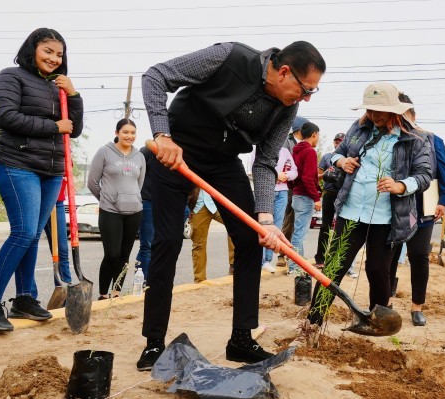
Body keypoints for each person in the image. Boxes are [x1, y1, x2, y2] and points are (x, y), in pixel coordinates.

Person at [137, 40, 326, 369]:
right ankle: (154, 343)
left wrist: (266, 219)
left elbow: (265, 161)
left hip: (224, 162)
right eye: (306, 88)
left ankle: (241, 339)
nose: (306, 97)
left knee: (252, 238)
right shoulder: (230, 57)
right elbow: (155, 77)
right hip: (176, 153)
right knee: (166, 241)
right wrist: (162, 135)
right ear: (284, 72)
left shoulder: (286, 107)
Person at [291, 82, 432, 346]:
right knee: (334, 267)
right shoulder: (359, 128)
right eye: (371, 109)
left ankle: (377, 324)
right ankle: (313, 322)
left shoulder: (415, 139)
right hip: (352, 211)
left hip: (386, 217)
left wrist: (401, 185)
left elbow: (424, 175)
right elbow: (335, 155)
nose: (375, 115)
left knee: (378, 269)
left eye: (380, 110)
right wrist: (341, 162)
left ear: (395, 110)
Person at [0, 28, 83, 332]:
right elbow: (6, 116)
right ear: (33, 49)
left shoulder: (59, 87)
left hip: (50, 171)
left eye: (59, 54)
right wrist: (54, 125)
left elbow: (72, 129)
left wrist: (74, 96)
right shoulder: (11, 76)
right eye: (48, 51)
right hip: (16, 164)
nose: (54, 58)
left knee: (33, 235)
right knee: (22, 232)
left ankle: (24, 299)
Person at [387, 92, 445, 327]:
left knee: (419, 256)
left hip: (423, 207)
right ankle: (385, 302)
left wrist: (444, 201)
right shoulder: (388, 138)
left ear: (412, 115)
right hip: (392, 206)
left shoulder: (433, 139)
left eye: (404, 116)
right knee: (389, 256)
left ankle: (417, 307)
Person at [88, 119, 146, 299]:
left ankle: (116, 291)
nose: (129, 136)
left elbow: (139, 184)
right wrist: (107, 199)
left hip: (134, 212)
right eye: (125, 132)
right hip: (110, 211)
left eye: (132, 133)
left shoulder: (140, 157)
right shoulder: (104, 152)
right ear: (117, 133)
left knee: (124, 255)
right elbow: (92, 183)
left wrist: (132, 199)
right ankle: (103, 294)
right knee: (112, 254)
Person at [287, 121, 322, 274]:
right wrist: (316, 197)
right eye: (318, 135)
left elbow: (294, 174)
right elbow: (307, 178)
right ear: (314, 134)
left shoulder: (296, 151)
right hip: (305, 197)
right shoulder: (310, 152)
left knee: (297, 231)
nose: (318, 138)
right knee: (299, 233)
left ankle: (297, 265)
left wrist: (294, 188)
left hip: (296, 195)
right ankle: (294, 267)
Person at [260, 144, 297, 273]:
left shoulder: (285, 151)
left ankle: (267, 261)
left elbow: (294, 171)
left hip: (282, 192)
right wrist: (276, 174)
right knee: (262, 226)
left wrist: (286, 175)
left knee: (276, 225)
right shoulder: (259, 147)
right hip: (265, 190)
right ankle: (260, 259)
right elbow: (257, 167)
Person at [277, 116, 308, 267]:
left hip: (300, 187)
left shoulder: (307, 145)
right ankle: (282, 254)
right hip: (287, 187)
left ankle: (294, 255)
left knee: (298, 224)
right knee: (288, 221)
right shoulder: (286, 142)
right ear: (300, 129)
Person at [313, 132, 345, 269]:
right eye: (336, 141)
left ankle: (336, 259)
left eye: (341, 142)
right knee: (325, 226)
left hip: (343, 195)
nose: (338, 143)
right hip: (329, 194)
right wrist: (325, 174)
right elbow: (316, 176)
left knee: (341, 228)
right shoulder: (326, 157)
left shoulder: (348, 159)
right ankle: (320, 258)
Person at [189, 187, 235, 280]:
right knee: (199, 244)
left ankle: (234, 265)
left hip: (218, 202)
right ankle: (200, 280)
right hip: (198, 206)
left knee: (235, 227)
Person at [43, 181, 72, 287]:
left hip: (57, 199)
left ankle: (65, 290)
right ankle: (27, 295)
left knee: (62, 250)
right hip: (37, 196)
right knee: (29, 245)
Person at [135, 146, 156, 279]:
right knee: (147, 245)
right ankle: (141, 281)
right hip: (147, 202)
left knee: (162, 245)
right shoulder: (148, 150)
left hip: (166, 203)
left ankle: (154, 281)